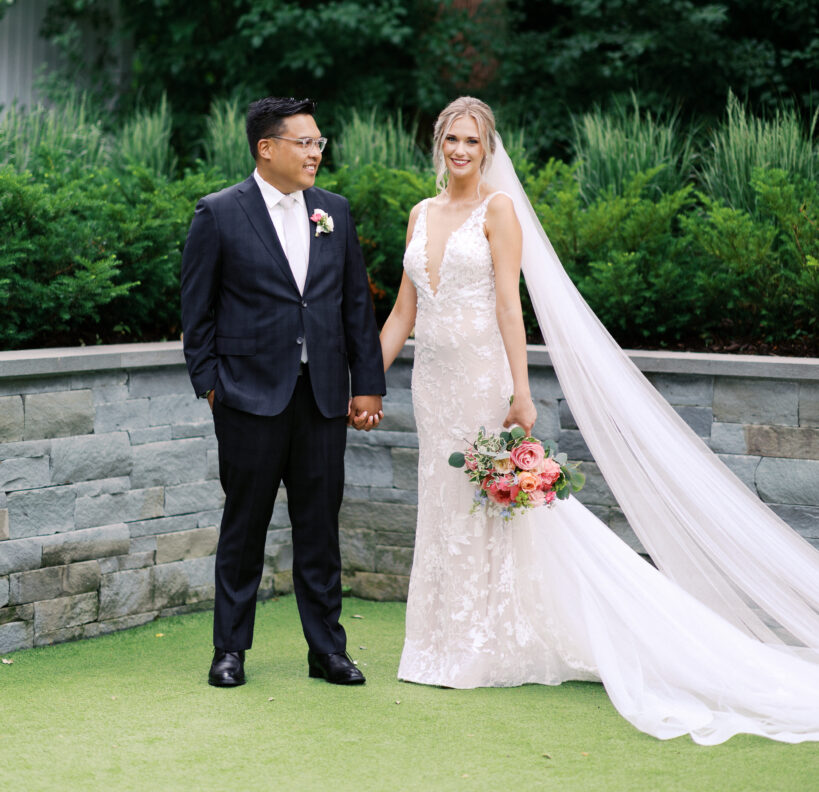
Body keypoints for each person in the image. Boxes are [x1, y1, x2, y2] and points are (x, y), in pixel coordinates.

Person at [379, 95, 819, 744]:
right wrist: (362, 381)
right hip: (431, 385)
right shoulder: (419, 214)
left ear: (488, 148)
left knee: (491, 506)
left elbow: (509, 306)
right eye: (451, 139)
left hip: (482, 381)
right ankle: (437, 643)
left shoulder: (497, 211)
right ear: (437, 144)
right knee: (442, 504)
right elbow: (400, 312)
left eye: (473, 141)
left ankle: (480, 645)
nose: (461, 151)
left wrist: (521, 393)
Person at [181, 96, 385, 688]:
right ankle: (229, 652)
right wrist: (212, 387)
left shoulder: (334, 212)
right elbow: (199, 312)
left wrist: (366, 385)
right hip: (248, 398)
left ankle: (327, 652)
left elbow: (355, 306)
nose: (317, 152)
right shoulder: (219, 213)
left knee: (319, 527)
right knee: (243, 527)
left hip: (322, 397)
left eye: (320, 142)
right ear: (265, 148)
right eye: (305, 142)